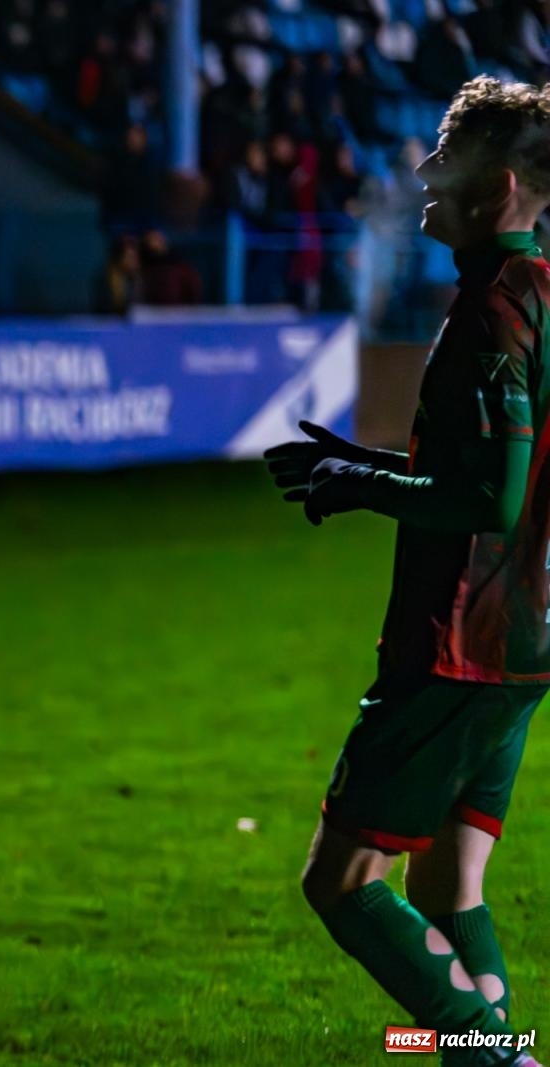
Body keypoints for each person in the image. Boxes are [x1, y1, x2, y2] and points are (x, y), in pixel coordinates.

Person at [263, 76, 550, 1067]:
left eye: (445, 160)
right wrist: (366, 465)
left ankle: (494, 1057)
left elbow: (491, 501)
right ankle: (490, 1051)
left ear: (497, 187)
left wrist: (365, 486)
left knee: (339, 880)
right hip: (524, 636)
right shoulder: (538, 290)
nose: (424, 175)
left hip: (459, 642)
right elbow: (496, 477)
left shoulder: (492, 314)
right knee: (448, 882)